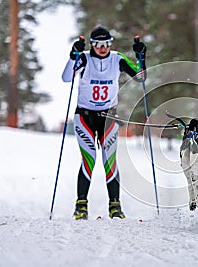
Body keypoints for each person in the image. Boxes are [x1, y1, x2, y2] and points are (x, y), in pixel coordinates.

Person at [61, 26, 146, 220]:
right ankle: (81, 205)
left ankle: (115, 206)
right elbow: (66, 78)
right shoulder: (84, 58)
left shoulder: (117, 59)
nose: (102, 48)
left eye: (106, 44)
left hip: (108, 117)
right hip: (84, 117)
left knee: (109, 161)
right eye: (98, 44)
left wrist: (142, 56)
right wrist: (73, 56)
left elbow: (141, 78)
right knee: (89, 159)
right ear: (91, 44)